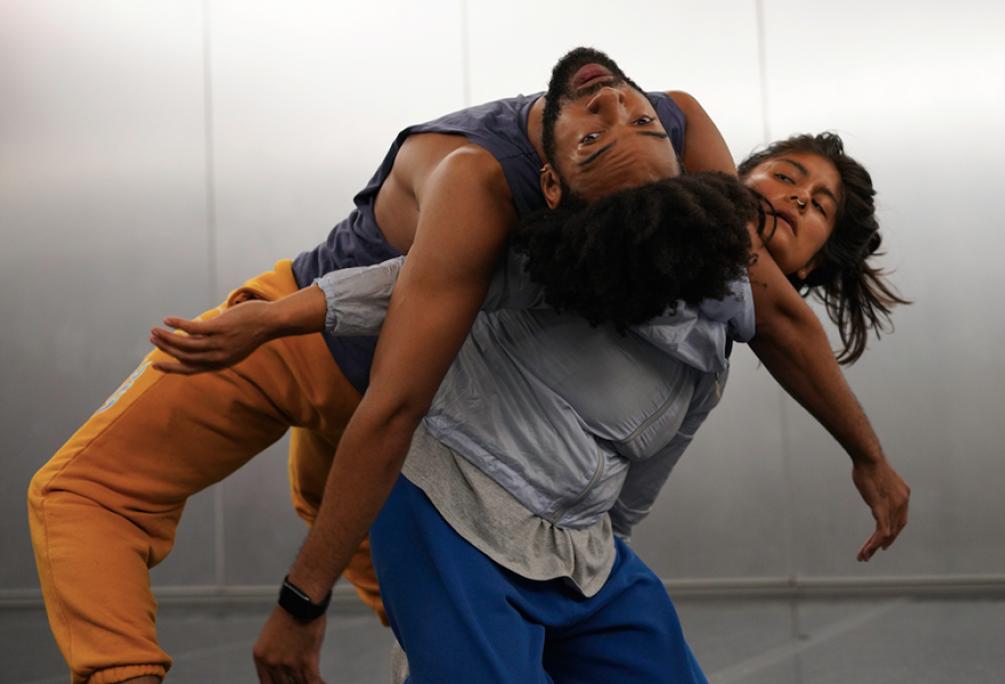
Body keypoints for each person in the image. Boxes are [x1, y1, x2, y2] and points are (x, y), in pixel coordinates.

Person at [28, 45, 908, 683]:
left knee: (400, 575)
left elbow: (767, 330)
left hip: (431, 410)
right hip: (348, 371)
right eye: (783, 176)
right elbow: (397, 335)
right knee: (86, 492)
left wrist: (863, 453)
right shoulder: (492, 184)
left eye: (814, 205)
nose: (789, 196)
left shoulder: (691, 270)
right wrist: (297, 607)